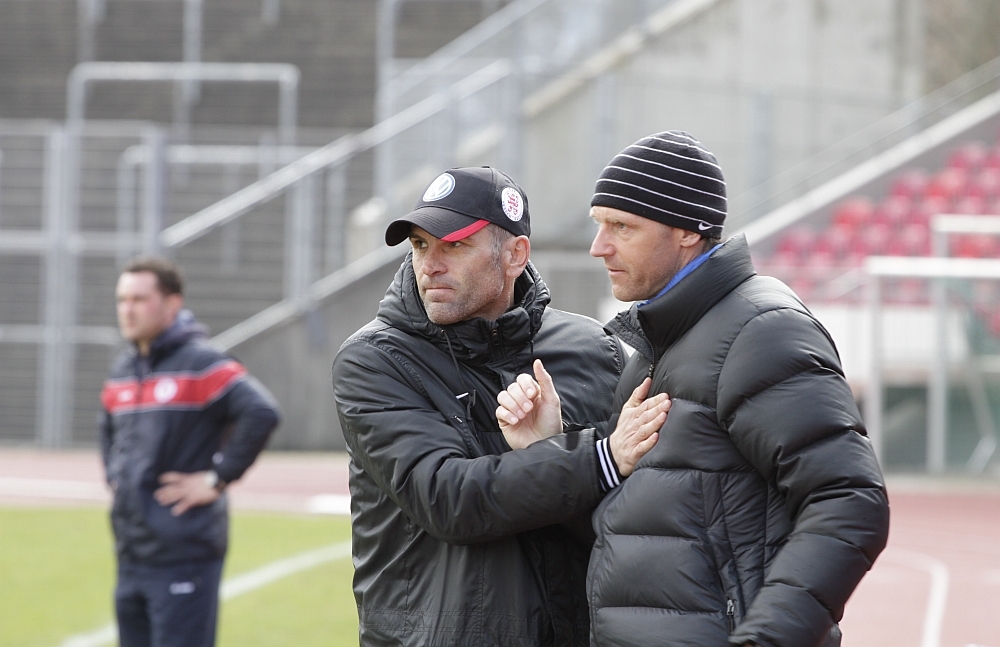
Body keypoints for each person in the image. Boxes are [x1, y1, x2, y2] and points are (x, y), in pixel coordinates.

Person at [496, 132, 891, 647]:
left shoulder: (762, 331)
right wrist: (552, 448)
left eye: (622, 226)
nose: (599, 246)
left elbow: (849, 499)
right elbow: (637, 533)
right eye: (599, 224)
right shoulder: (657, 347)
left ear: (687, 231)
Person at [332, 166, 671, 647]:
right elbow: (448, 500)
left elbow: (635, 518)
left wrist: (554, 447)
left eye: (454, 245)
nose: (430, 265)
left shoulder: (598, 350)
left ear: (515, 255)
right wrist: (597, 459)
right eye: (421, 245)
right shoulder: (375, 360)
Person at [100, 257, 280, 647]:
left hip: (183, 553)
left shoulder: (202, 363)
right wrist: (116, 479)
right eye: (122, 300)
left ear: (172, 304)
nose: (127, 309)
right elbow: (108, 433)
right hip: (131, 554)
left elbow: (261, 412)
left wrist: (216, 479)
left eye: (139, 299)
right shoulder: (122, 371)